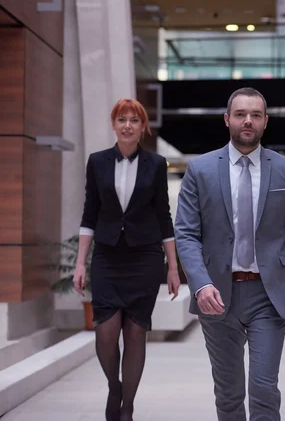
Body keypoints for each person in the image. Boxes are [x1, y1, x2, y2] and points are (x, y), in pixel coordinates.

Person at [175, 87, 285, 421]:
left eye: (256, 115)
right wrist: (199, 283)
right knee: (228, 393)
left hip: (268, 295)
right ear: (227, 119)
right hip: (216, 295)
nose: (248, 121)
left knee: (263, 388)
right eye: (241, 114)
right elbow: (185, 232)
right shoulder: (200, 169)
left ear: (265, 122)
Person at [73, 99, 180, 421]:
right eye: (122, 119)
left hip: (144, 257)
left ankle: (128, 407)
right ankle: (114, 386)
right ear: (114, 124)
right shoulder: (97, 162)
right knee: (105, 332)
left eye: (135, 120)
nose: (128, 125)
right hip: (106, 256)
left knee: (135, 332)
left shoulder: (156, 164)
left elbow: (164, 216)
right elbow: (89, 213)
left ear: (143, 127)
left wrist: (172, 266)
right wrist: (80, 263)